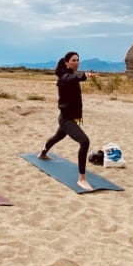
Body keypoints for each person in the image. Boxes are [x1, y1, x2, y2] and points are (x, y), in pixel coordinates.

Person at [37, 51, 98, 191]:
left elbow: (74, 78)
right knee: (84, 141)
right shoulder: (64, 77)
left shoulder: (70, 76)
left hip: (71, 118)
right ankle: (82, 179)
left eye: (78, 60)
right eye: (73, 60)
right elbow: (70, 78)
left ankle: (42, 153)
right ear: (66, 63)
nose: (76, 62)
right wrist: (85, 75)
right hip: (66, 118)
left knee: (58, 136)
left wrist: (83, 76)